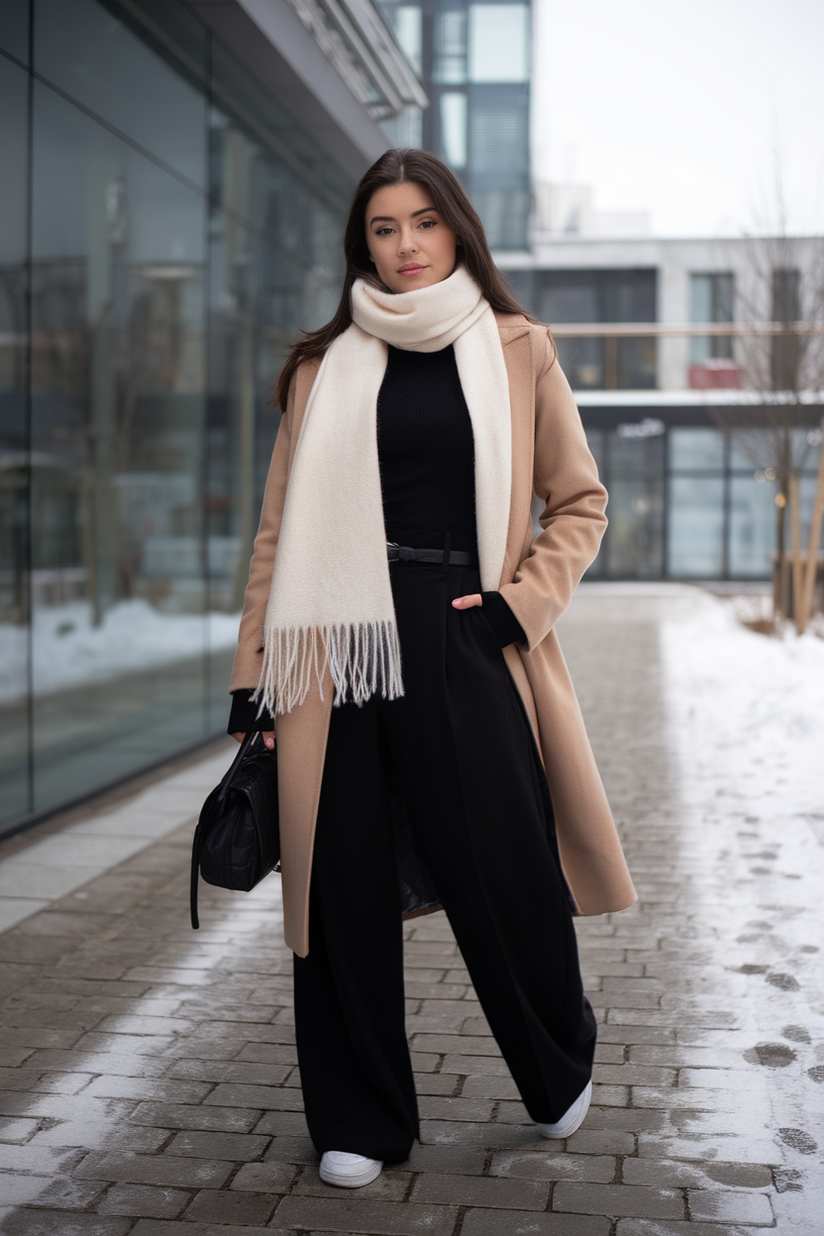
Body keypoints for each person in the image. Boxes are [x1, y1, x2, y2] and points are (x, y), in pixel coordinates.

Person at [228, 148, 635, 1189]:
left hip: (461, 632)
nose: (404, 245)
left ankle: (555, 1059)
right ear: (358, 243)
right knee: (341, 885)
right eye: (381, 228)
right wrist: (254, 677)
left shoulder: (515, 348)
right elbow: (276, 536)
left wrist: (513, 608)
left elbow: (577, 503)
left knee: (503, 869)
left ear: (456, 229)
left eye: (422, 223)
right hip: (332, 650)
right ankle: (359, 1118)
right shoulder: (321, 367)